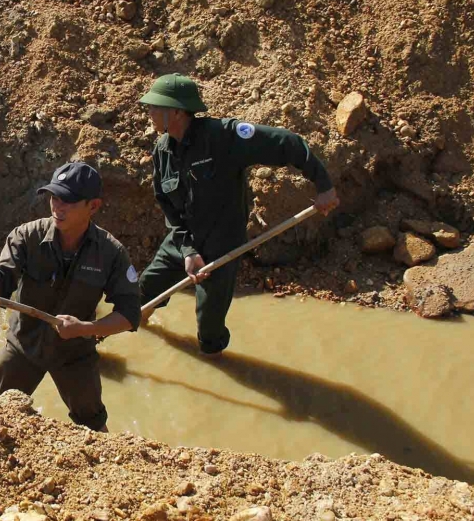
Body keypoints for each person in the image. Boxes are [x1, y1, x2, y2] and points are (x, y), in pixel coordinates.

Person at [137, 73, 340, 354]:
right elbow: (167, 205)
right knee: (143, 293)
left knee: (209, 327)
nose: (148, 111)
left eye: (154, 106)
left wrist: (324, 185)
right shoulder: (163, 150)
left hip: (222, 246)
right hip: (183, 240)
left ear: (177, 112)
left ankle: (215, 360)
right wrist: (187, 250)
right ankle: (140, 332)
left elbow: (287, 143)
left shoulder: (223, 137)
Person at [0, 162, 141, 432]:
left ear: (93, 206)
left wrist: (86, 329)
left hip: (75, 353)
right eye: (54, 197)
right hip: (24, 346)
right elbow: (1, 272)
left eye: (68, 200)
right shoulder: (27, 236)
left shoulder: (111, 253)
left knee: (94, 426)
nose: (58, 207)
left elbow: (129, 314)